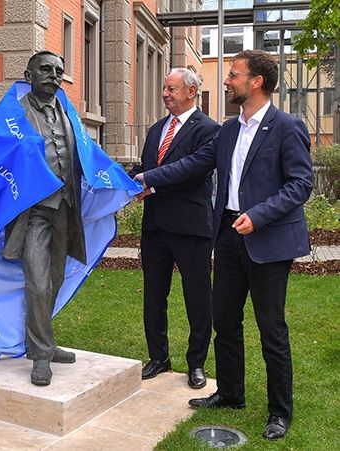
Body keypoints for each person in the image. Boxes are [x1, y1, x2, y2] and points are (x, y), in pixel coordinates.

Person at [135, 50, 313, 440]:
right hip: (229, 235)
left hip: (268, 237)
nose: (227, 81)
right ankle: (231, 393)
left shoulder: (287, 126)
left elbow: (301, 184)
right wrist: (148, 179)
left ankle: (279, 412)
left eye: (233, 75)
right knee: (226, 322)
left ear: (257, 82)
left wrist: (260, 214)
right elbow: (195, 164)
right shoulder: (228, 130)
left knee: (272, 328)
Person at [129, 68, 219, 389]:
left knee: (197, 297)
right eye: (164, 88)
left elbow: (192, 169)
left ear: (191, 92)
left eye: (171, 88)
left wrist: (148, 182)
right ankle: (159, 357)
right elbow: (145, 168)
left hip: (190, 227)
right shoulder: (156, 130)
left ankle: (196, 364)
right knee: (154, 294)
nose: (165, 93)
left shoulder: (209, 130)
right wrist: (122, 180)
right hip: (155, 227)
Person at [2, 51, 85, 386]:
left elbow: (86, 155)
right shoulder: (14, 115)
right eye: (46, 69)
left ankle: (42, 342)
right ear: (29, 74)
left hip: (65, 208)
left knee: (55, 278)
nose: (54, 75)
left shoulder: (68, 112)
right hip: (34, 212)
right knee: (37, 282)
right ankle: (40, 355)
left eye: (60, 71)